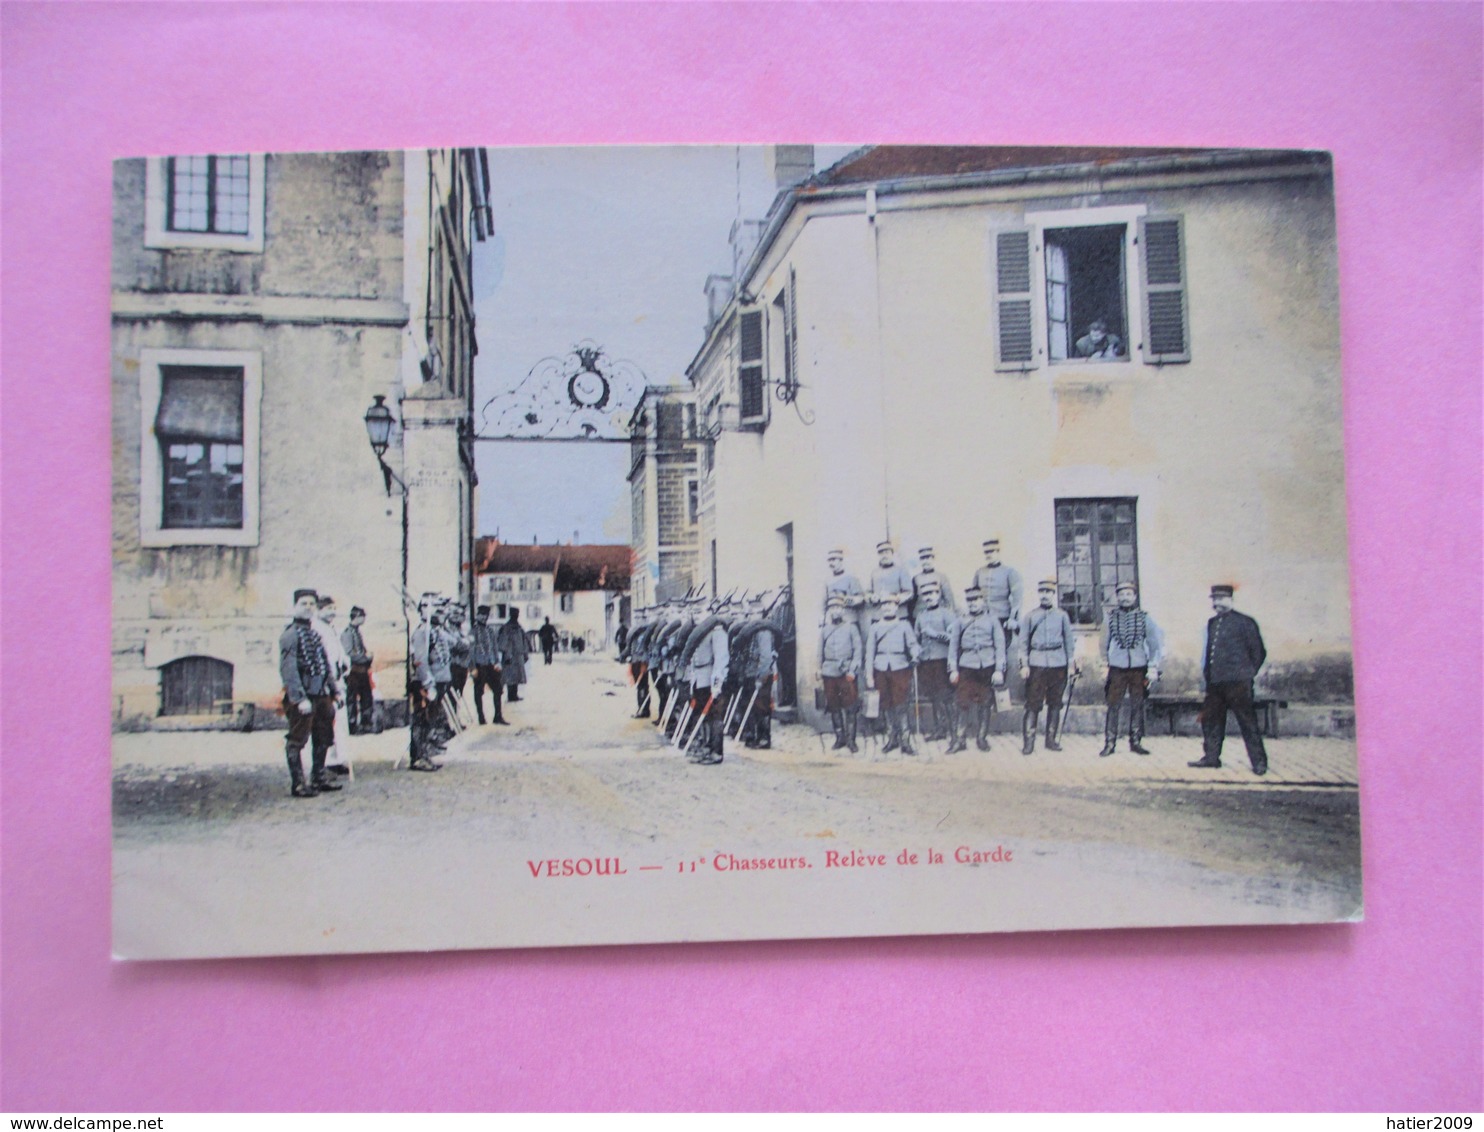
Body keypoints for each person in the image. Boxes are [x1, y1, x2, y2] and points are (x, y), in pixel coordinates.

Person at [1189, 584, 1269, 776]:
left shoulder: (1245, 622)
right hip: (1216, 683)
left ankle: (1259, 762)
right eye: (1214, 599)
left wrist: (1247, 673)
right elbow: (1210, 653)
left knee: (1247, 723)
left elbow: (1258, 652)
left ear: (1231, 600)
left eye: (1221, 599)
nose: (1217, 603)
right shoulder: (1212, 623)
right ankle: (1211, 758)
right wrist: (1209, 677)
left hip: (1238, 683)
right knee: (1211, 721)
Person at [279, 588, 341, 796]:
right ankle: (298, 784)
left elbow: (325, 666)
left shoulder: (315, 634)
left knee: (324, 736)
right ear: (295, 607)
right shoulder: (290, 635)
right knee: (297, 739)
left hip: (322, 695)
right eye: (303, 604)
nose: (308, 608)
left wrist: (335, 691)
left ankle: (318, 777)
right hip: (304, 697)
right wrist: (298, 698)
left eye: (311, 604)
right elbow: (289, 670)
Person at [1100, 582, 1164, 757]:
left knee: (1138, 704)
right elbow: (1103, 643)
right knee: (1113, 704)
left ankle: (1135, 741)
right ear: (1117, 597)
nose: (1125, 597)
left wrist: (1152, 666)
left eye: (1129, 594)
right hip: (1117, 668)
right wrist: (1104, 664)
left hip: (1139, 668)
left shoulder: (1144, 618)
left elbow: (1154, 644)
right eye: (1121, 594)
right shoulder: (1110, 617)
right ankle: (1110, 742)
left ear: (1134, 597)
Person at [1019, 579, 1078, 755]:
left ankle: (1051, 740)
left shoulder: (1062, 616)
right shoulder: (1030, 616)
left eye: (1048, 592)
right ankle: (1029, 742)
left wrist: (1070, 665)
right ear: (1039, 594)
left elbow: (1069, 642)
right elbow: (1023, 643)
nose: (1045, 595)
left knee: (1055, 703)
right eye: (1042, 591)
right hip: (1036, 664)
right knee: (1032, 704)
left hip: (1058, 663)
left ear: (1054, 594)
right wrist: (1024, 664)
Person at [948, 586, 1007, 753]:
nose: (972, 604)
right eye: (969, 601)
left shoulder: (992, 621)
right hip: (967, 665)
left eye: (976, 600)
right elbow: (953, 648)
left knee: (984, 703)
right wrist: (953, 669)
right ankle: (960, 740)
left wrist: (998, 669)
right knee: (962, 703)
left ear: (983, 601)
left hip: (987, 666)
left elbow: (1000, 647)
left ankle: (982, 738)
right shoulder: (960, 621)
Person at [866, 595, 921, 755]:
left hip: (900, 667)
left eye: (891, 604)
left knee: (901, 705)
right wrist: (869, 674)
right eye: (884, 604)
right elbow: (870, 653)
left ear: (897, 607)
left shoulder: (904, 625)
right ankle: (892, 739)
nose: (887, 607)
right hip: (881, 668)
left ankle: (905, 741)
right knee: (886, 705)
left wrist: (915, 654)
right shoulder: (875, 627)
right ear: (881, 608)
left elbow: (912, 644)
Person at [912, 580, 958, 742]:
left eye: (932, 593)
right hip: (926, 661)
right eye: (925, 594)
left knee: (946, 697)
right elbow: (915, 638)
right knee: (934, 697)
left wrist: (936, 634)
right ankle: (940, 730)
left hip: (942, 660)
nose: (929, 597)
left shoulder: (947, 614)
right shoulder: (921, 616)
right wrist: (916, 649)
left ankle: (954, 732)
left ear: (938, 595)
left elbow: (955, 639)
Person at [312, 594, 352, 777]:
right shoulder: (316, 629)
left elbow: (339, 651)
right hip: (326, 682)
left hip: (338, 678)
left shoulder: (332, 629)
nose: (332, 613)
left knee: (339, 721)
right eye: (328, 609)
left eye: (334, 609)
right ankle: (325, 762)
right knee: (327, 723)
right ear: (319, 610)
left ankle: (337, 759)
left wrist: (345, 661)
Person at [684, 608, 730, 765]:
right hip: (699, 679)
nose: (696, 615)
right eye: (694, 612)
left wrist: (717, 683)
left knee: (715, 716)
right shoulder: (697, 633)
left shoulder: (717, 632)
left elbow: (721, 659)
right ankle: (706, 748)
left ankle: (716, 752)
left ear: (709, 613)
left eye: (699, 611)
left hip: (711, 678)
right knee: (702, 715)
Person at [819, 594, 864, 753]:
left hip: (846, 671)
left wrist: (853, 670)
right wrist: (820, 669)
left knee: (850, 706)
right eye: (832, 608)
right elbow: (820, 652)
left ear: (843, 610)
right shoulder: (825, 630)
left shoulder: (851, 628)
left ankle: (851, 740)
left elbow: (858, 651)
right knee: (833, 705)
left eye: (838, 607)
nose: (835, 611)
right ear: (829, 611)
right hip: (829, 671)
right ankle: (840, 738)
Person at [406, 593, 443, 771]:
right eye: (431, 606)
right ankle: (418, 757)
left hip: (429, 681)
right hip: (421, 683)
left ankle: (424, 754)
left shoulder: (429, 631)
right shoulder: (422, 632)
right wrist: (428, 683)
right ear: (422, 610)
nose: (435, 610)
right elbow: (420, 659)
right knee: (421, 719)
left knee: (428, 720)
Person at [739, 595, 778, 749]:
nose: (750, 616)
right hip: (750, 673)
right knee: (749, 706)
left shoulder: (764, 632)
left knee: (762, 707)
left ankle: (764, 738)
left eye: (754, 613)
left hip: (761, 676)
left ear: (761, 614)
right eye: (749, 613)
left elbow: (766, 658)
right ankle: (751, 736)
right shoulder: (750, 631)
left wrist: (760, 678)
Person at [974, 539, 1024, 656]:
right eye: (986, 552)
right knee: (985, 651)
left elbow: (1017, 598)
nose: (989, 555)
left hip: (1002, 618)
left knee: (1001, 651)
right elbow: (974, 594)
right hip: (984, 617)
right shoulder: (979, 572)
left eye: (992, 551)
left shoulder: (1009, 572)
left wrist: (1013, 618)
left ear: (998, 552)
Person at [470, 604, 507, 726]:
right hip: (480, 665)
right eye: (482, 615)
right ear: (477, 616)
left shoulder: (490, 631)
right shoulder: (473, 632)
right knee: (478, 691)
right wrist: (473, 667)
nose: (484, 618)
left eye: (486, 615)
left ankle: (498, 716)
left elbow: (495, 648)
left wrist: (497, 662)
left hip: (491, 665)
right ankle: (481, 717)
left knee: (498, 689)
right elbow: (471, 650)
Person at [341, 605, 375, 735]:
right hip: (353, 672)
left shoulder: (357, 632)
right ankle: (353, 725)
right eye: (362, 616)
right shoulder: (347, 633)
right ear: (357, 617)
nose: (364, 619)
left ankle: (366, 724)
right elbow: (350, 653)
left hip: (362, 672)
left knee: (367, 698)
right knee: (352, 700)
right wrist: (365, 658)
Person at [868, 540, 915, 624]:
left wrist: (894, 598)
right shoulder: (874, 573)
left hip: (899, 615)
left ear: (892, 554)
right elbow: (868, 593)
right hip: (878, 615)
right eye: (881, 553)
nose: (884, 555)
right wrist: (872, 598)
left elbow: (909, 593)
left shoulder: (901, 571)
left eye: (887, 552)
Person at [912, 546, 957, 613]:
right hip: (921, 613)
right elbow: (913, 601)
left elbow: (949, 599)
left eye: (928, 558)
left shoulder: (941, 577)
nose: (925, 561)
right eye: (923, 559)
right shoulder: (916, 578)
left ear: (933, 559)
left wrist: (948, 613)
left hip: (938, 613)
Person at [498, 607, 530, 702]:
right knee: (510, 676)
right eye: (514, 614)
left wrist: (525, 653)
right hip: (510, 655)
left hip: (518, 654)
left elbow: (524, 640)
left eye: (517, 614)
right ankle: (511, 695)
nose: (516, 616)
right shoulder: (506, 628)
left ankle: (514, 694)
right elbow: (503, 642)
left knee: (516, 676)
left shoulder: (519, 627)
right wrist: (507, 654)